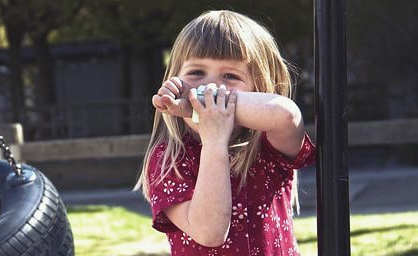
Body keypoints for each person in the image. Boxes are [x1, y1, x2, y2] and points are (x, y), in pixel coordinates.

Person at [135, 10, 316, 255]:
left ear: (260, 88)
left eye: (230, 76)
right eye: (196, 73)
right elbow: (210, 233)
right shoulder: (169, 159)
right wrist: (214, 143)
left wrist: (197, 101)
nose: (211, 88)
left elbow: (285, 115)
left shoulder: (269, 143)